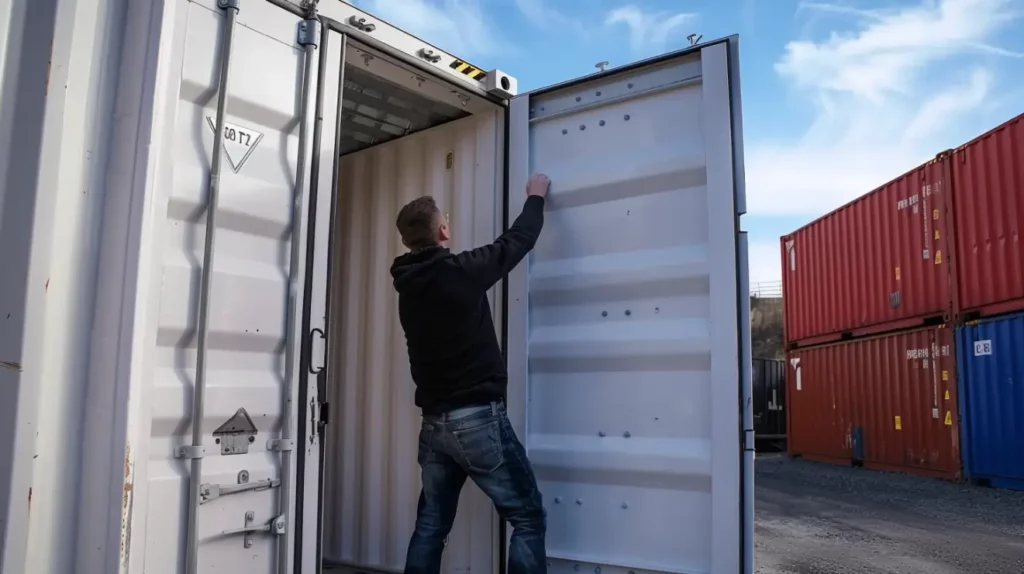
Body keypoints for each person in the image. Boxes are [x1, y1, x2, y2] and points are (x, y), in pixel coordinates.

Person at [390, 173, 551, 574]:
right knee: (527, 517)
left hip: (434, 426)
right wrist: (535, 197)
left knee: (431, 524)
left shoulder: (407, 290)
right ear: (443, 231)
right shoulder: (459, 271)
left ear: (407, 241)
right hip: (477, 421)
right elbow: (517, 241)